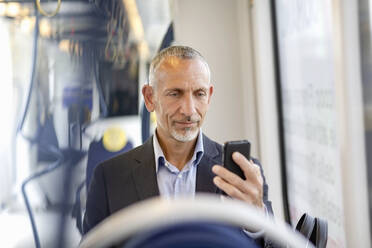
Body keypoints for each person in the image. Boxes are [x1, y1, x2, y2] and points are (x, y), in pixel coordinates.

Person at [83, 45, 274, 246]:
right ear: (150, 98)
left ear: (209, 96)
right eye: (175, 94)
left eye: (199, 94)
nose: (189, 110)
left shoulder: (242, 174)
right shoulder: (110, 178)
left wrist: (257, 220)